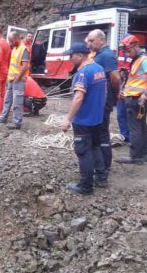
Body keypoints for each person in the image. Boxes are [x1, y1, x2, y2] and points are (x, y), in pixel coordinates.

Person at [61, 43, 107, 195]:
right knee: (95, 146)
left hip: (83, 120)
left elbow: (78, 97)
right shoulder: (99, 68)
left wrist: (68, 119)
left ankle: (86, 186)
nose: (69, 58)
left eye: (71, 55)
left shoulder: (83, 73)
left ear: (80, 55)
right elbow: (104, 92)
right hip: (97, 118)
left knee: (83, 151)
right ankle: (101, 177)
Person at [85, 29, 120, 187]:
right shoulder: (100, 55)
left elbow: (115, 77)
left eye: (92, 41)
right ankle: (101, 164)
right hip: (100, 99)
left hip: (104, 100)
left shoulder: (106, 56)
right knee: (99, 132)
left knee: (102, 133)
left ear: (101, 39)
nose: (89, 43)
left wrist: (115, 94)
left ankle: (104, 165)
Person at [116, 35, 147, 164]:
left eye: (128, 51)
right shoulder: (138, 59)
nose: (127, 54)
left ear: (136, 46)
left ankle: (135, 156)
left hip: (136, 99)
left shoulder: (143, 60)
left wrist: (145, 94)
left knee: (135, 127)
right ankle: (143, 154)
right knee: (141, 126)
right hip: (134, 97)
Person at [0, 31, 30, 130]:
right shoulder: (14, 48)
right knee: (7, 100)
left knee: (17, 102)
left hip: (19, 80)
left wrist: (17, 78)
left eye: (11, 41)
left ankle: (17, 123)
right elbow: (12, 65)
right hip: (11, 79)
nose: (10, 43)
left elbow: (25, 66)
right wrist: (9, 78)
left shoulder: (23, 49)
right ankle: (3, 117)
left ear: (17, 39)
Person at [116, 39, 133, 143]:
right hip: (122, 88)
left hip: (132, 91)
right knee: (120, 114)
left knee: (130, 115)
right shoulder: (119, 54)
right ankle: (125, 135)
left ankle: (132, 136)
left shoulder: (139, 57)